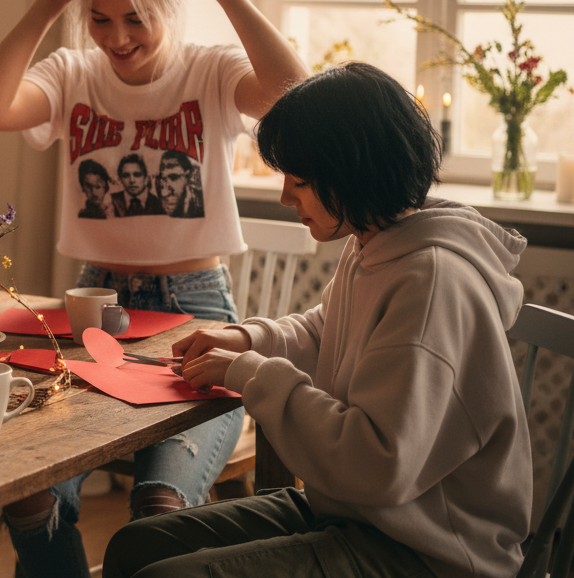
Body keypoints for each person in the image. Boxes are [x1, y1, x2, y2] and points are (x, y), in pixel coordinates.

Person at [0, 0, 307, 577]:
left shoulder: (210, 74)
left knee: (159, 512)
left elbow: (293, 91)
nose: (117, 39)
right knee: (26, 497)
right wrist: (49, 1)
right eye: (100, 18)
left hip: (195, 314)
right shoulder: (72, 74)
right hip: (93, 308)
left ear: (168, 7)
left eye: (135, 19)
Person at [105, 63, 532, 578]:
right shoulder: (375, 243)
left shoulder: (432, 282)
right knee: (137, 547)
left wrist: (249, 372)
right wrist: (244, 339)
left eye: (300, 181)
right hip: (360, 517)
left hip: (432, 552)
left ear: (353, 173)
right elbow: (323, 331)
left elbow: (376, 465)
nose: (286, 196)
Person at [156, 149, 203, 218]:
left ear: (188, 176)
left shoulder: (201, 202)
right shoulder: (153, 204)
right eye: (163, 179)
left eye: (174, 177)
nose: (167, 187)